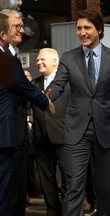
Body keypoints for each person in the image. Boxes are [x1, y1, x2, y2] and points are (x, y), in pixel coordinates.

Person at [46, 9, 110, 216]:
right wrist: (45, 98)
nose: (82, 32)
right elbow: (58, 85)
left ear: (99, 30)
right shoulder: (69, 58)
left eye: (87, 27)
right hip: (77, 132)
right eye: (79, 28)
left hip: (108, 131)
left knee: (106, 188)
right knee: (74, 186)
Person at [0, 13, 54, 216]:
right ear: (3, 34)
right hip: (4, 132)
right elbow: (21, 85)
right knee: (5, 190)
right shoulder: (4, 58)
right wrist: (45, 102)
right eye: (14, 28)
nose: (19, 31)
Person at [31, 48, 70, 216]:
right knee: (46, 179)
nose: (38, 62)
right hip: (41, 138)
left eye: (42, 59)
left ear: (55, 62)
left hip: (64, 138)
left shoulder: (69, 84)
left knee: (69, 178)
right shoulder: (33, 84)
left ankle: (68, 210)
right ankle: (53, 210)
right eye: (37, 60)